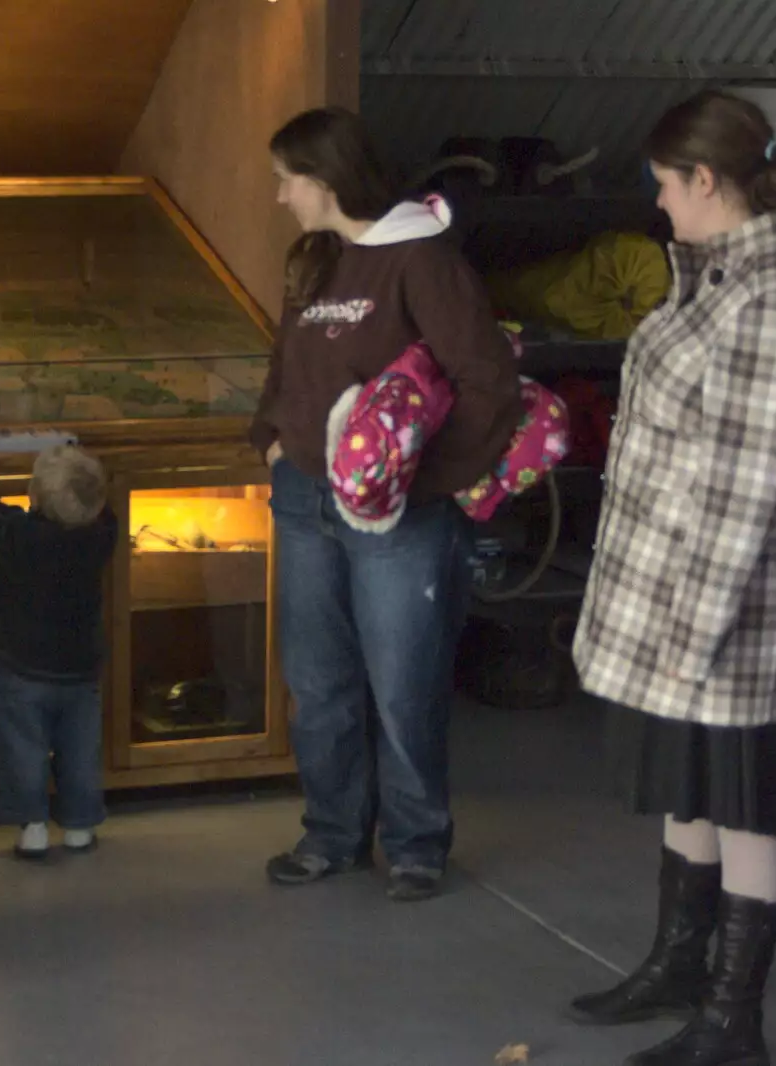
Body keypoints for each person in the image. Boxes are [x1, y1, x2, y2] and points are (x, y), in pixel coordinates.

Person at [566, 90, 776, 1066]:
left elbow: (743, 487)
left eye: (661, 187)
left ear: (704, 182)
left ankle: (734, 1020)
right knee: (690, 787)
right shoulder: (721, 272)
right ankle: (678, 966)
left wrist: (691, 633)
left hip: (727, 599)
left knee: (742, 802)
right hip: (681, 588)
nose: (656, 207)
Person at [252, 107, 523, 902]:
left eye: (286, 179)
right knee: (318, 679)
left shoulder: (424, 262)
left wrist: (428, 481)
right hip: (306, 498)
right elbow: (286, 369)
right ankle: (331, 834)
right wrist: (270, 442)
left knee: (404, 681)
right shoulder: (318, 260)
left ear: (326, 179)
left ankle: (415, 844)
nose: (279, 196)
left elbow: (487, 383)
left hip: (399, 516)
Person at [0, 425, 118, 860]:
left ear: (35, 498)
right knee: (80, 750)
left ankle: (32, 828)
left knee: (23, 750)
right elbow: (103, 508)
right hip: (81, 669)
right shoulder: (101, 536)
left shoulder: (19, 535)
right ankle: (80, 826)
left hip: (21, 667)